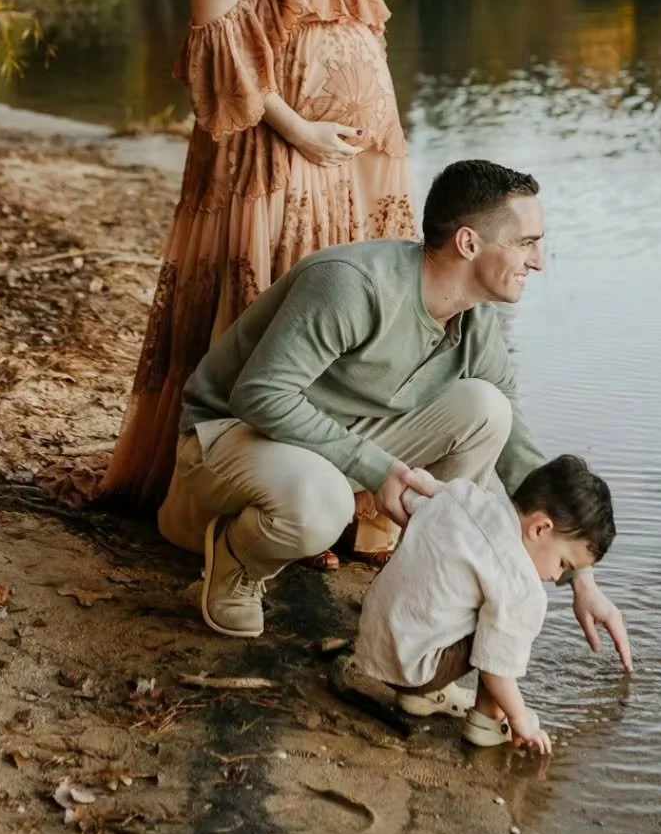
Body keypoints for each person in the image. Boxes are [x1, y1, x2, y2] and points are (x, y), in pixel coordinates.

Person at [72, 0, 416, 515]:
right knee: (265, 306)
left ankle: (338, 490)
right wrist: (301, 130)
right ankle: (245, 489)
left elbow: (358, 44)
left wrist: (372, 137)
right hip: (272, 160)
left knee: (343, 321)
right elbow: (221, 62)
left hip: (349, 166)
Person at [156, 158, 633, 671]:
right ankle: (234, 559)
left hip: (328, 444)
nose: (538, 261)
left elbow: (518, 447)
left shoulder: (474, 321)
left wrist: (579, 571)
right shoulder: (352, 285)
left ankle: (427, 585)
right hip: (233, 436)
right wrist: (376, 470)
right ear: (468, 243)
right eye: (526, 243)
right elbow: (260, 395)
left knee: (488, 409)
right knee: (323, 503)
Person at [351, 454, 616, 753]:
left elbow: (416, 494)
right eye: (563, 563)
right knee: (507, 620)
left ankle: (422, 698)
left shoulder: (464, 495)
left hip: (374, 637)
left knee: (466, 593)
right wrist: (521, 720)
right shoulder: (520, 582)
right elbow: (495, 667)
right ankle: (488, 720)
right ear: (540, 528)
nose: (556, 576)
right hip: (411, 669)